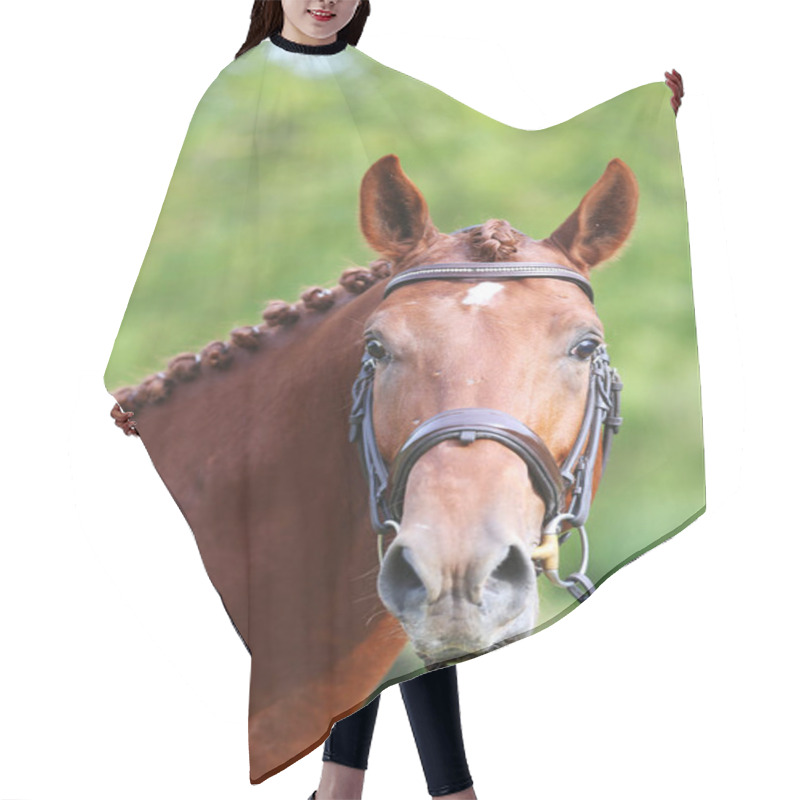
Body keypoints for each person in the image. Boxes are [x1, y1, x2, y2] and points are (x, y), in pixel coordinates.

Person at [236, 5, 479, 800]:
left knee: (404, 569)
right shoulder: (240, 92)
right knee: (377, 575)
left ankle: (343, 789)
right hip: (292, 371)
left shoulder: (378, 88)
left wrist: (636, 125)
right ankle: (433, 791)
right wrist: (146, 376)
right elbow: (192, 245)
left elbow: (484, 161)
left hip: (389, 368)